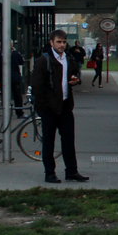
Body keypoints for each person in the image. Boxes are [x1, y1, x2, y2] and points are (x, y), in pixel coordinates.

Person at [31, 29, 89, 184]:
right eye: (58, 42)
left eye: (64, 42)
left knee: (69, 140)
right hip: (49, 108)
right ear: (51, 42)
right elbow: (37, 85)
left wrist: (76, 80)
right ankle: (49, 173)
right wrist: (42, 107)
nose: (62, 45)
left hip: (65, 106)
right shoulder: (44, 60)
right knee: (49, 142)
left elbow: (75, 75)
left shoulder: (68, 58)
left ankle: (72, 171)